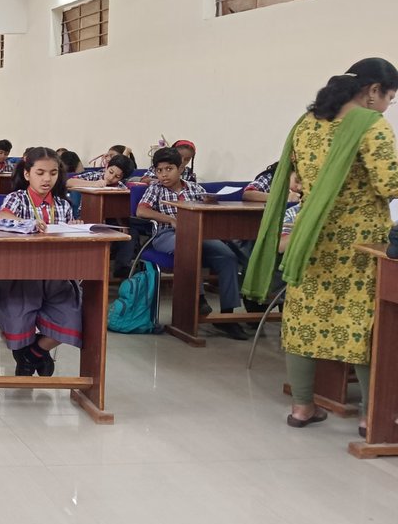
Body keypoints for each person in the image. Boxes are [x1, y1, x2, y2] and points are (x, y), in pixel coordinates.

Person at [244, 58, 398, 432]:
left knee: (303, 318)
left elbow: (296, 176)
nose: (388, 105)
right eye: (390, 96)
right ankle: (370, 417)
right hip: (359, 243)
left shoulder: (307, 124)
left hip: (310, 237)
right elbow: (390, 184)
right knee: (365, 323)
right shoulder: (370, 126)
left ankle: (301, 407)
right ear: (372, 90)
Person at [0, 148, 83, 376]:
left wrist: (76, 227)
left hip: (56, 274)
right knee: (17, 318)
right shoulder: (17, 198)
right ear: (28, 174)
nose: (47, 179)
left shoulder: (63, 204)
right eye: (40, 172)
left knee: (76, 318)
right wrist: (27, 223)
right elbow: (4, 217)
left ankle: (33, 353)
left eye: (53, 173)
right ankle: (29, 354)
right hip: (21, 275)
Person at [138, 146, 249, 339]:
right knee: (190, 248)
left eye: (169, 169)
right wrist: (170, 219)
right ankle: (199, 299)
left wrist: (210, 203)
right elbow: (142, 211)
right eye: (159, 170)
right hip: (167, 236)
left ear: (180, 169)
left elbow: (206, 208)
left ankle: (228, 315)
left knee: (227, 256)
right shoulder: (155, 188)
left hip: (198, 235)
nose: (164, 174)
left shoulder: (195, 188)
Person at [67, 154, 134, 189]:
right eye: (111, 172)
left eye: (117, 176)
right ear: (106, 167)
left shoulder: (121, 187)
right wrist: (94, 184)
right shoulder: (94, 176)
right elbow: (68, 182)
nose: (111, 178)